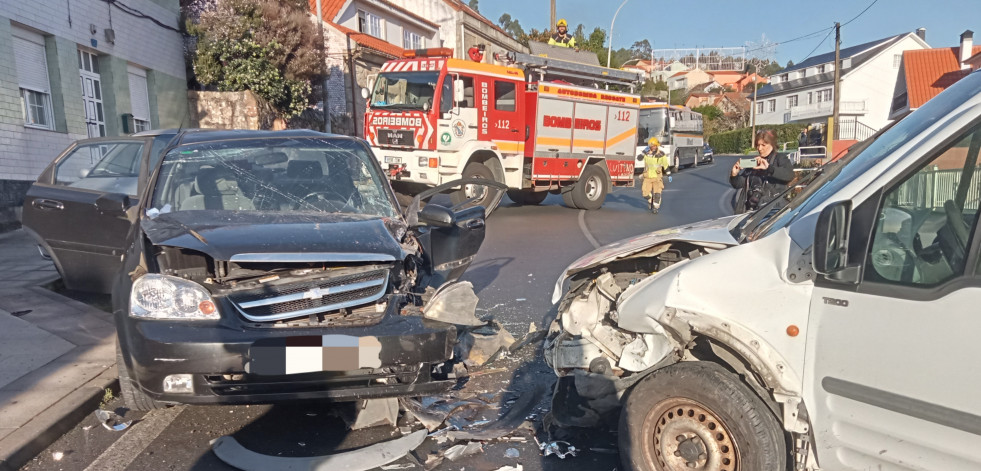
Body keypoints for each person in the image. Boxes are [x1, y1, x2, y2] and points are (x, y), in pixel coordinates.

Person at [730, 129, 795, 213]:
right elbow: (739, 184)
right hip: (753, 211)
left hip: (774, 211)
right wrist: (734, 175)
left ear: (772, 144)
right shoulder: (755, 162)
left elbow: (789, 175)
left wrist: (769, 168)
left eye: (763, 145)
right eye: (757, 145)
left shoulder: (780, 158)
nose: (759, 148)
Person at [637, 137, 670, 213]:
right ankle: (651, 201)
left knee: (657, 193)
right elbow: (639, 158)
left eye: (654, 145)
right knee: (645, 194)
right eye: (651, 146)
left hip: (657, 177)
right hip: (647, 177)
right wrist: (643, 152)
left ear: (657, 145)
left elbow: (665, 165)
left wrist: (669, 175)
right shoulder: (647, 153)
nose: (653, 147)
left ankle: (655, 207)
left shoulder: (661, 154)